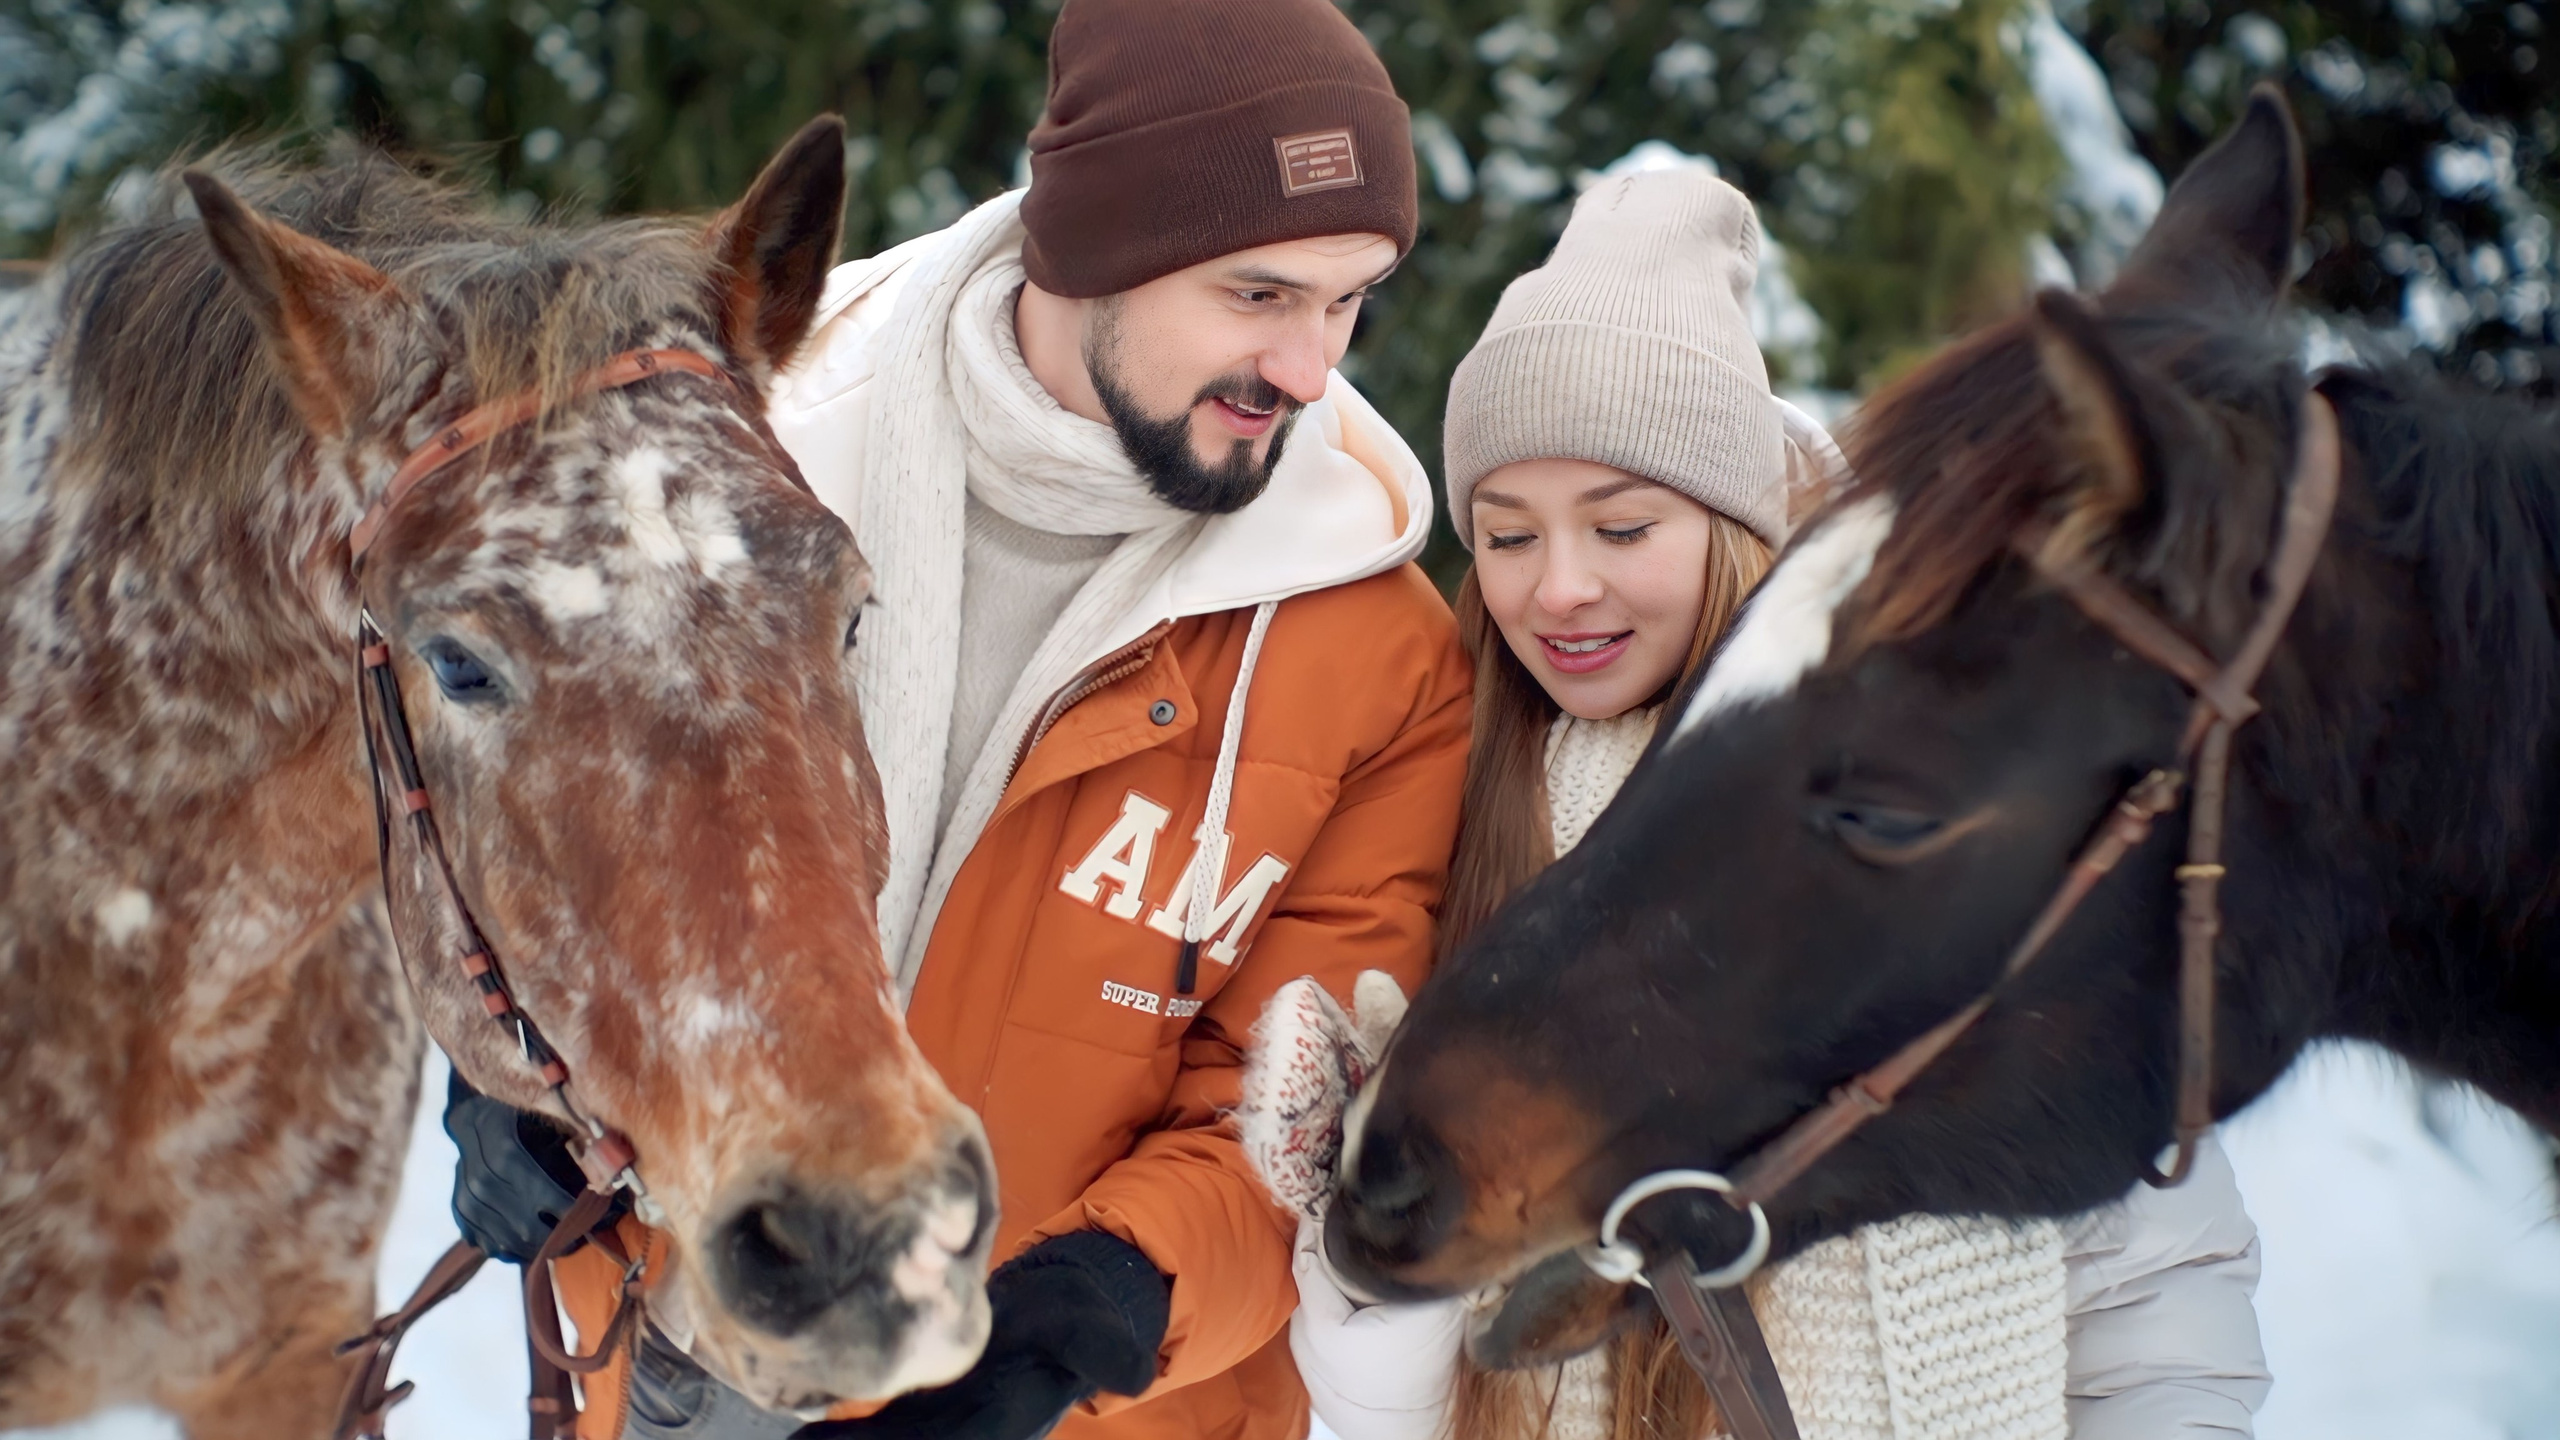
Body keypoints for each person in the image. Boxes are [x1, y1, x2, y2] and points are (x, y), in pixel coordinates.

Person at [442, 3, 1472, 1438]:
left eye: (1347, 300)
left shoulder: (1381, 652)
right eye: (1258, 295)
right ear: (1095, 248)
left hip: (1070, 1408)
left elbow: (1292, 1116)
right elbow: (550, 837)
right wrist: (507, 1085)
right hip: (691, 1348)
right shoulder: (749, 482)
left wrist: (1089, 1316)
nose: (1309, 368)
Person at [1275, 165, 2271, 1440]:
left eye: (1622, 527)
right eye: (1508, 534)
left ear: (1735, 525)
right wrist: (1374, 1227)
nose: (1558, 587)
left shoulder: (1927, 811)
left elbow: (2153, 1275)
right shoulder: (1448, 829)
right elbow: (1381, 1420)